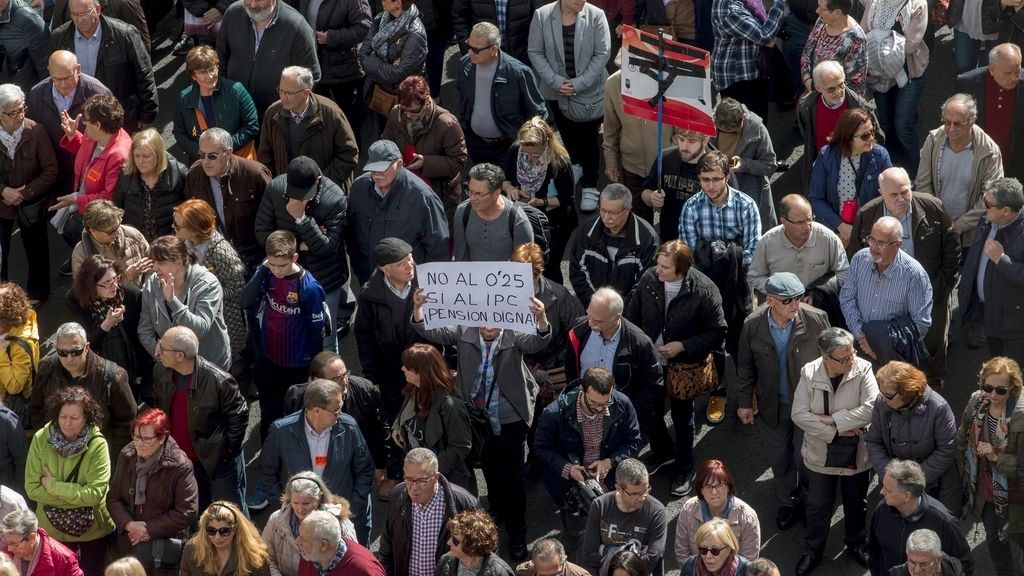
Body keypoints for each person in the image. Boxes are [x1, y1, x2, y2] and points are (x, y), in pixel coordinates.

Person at [412, 288, 551, 561]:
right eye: (484, 320)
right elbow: (432, 330)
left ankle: (518, 533)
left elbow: (537, 341)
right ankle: (496, 515)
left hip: (510, 417)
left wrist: (542, 319)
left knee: (513, 477)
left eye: (495, 320)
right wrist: (418, 309)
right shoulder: (464, 331)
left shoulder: (514, 334)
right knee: (489, 469)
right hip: (477, 420)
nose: (489, 326)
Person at [624, 239, 727, 494]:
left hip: (684, 366)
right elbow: (632, 317)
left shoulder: (704, 290)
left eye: (665, 268)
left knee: (682, 418)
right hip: (651, 362)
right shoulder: (649, 279)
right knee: (649, 410)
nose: (658, 271)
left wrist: (683, 346)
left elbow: (717, 331)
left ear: (682, 269)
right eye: (658, 264)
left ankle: (684, 466)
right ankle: (663, 452)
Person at [847, 167, 961, 385]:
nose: (901, 199)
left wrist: (944, 285)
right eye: (894, 194)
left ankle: (930, 385)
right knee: (888, 345)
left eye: (905, 191)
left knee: (931, 344)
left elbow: (952, 246)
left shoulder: (933, 208)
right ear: (881, 193)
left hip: (929, 293)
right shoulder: (867, 215)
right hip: (885, 294)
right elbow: (855, 255)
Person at [736, 272, 830, 530]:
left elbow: (830, 362)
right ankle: (789, 502)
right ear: (770, 300)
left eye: (798, 298)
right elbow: (745, 366)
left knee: (806, 456)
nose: (795, 305)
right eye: (788, 300)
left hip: (808, 406)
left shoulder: (816, 319)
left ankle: (810, 502)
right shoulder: (752, 325)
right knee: (779, 458)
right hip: (772, 405)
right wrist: (744, 402)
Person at [791, 327, 878, 576]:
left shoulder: (863, 369)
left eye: (852, 354)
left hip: (856, 454)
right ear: (825, 357)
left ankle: (857, 544)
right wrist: (835, 432)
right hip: (820, 454)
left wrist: (832, 421)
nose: (851, 361)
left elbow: (871, 408)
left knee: (856, 504)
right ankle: (813, 551)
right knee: (817, 506)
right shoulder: (809, 373)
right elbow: (798, 414)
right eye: (844, 358)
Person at [255, 378, 374, 544]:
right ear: (317, 410)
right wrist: (285, 505)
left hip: (338, 517)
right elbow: (267, 471)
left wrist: (352, 504)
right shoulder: (281, 431)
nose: (340, 413)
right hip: (297, 519)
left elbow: (365, 469)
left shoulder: (349, 427)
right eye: (336, 410)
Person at [241, 229, 329, 439]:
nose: (277, 270)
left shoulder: (308, 287)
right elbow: (245, 300)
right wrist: (262, 270)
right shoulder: (267, 273)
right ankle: (269, 450)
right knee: (269, 413)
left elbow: (317, 331)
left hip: (297, 364)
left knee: (295, 414)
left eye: (282, 265)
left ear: (294, 257)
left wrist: (314, 369)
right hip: (268, 358)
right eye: (272, 264)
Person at [533, 367, 642, 536]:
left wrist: (610, 462)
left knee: (614, 525)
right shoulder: (554, 414)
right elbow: (541, 448)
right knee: (579, 531)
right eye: (594, 404)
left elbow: (633, 440)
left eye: (606, 403)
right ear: (581, 391)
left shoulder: (622, 404)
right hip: (570, 485)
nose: (601, 409)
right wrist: (568, 469)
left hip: (609, 478)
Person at [565, 288, 665, 470]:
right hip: (584, 408)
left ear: (616, 317)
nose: (590, 322)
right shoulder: (580, 329)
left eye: (598, 320)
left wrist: (629, 409)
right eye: (589, 314)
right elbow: (571, 367)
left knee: (616, 462)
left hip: (617, 418)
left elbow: (655, 384)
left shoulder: (639, 343)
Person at [151, 326, 248, 513]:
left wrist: (225, 452)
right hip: (183, 462)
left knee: (230, 514)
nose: (157, 352)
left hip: (217, 464)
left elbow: (239, 416)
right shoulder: (160, 371)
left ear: (180, 356)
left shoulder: (219, 380)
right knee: (197, 512)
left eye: (162, 348)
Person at [351, 238, 422, 491]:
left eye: (410, 259)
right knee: (394, 421)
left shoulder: (426, 286)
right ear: (385, 269)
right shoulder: (370, 295)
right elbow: (364, 336)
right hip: (390, 371)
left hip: (422, 370)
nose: (410, 266)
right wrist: (372, 376)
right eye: (401, 263)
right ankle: (396, 472)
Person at [254, 156, 347, 346]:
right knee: (290, 336)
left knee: (325, 338)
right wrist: (301, 245)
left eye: (305, 194)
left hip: (324, 280)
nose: (299, 199)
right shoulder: (275, 189)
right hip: (286, 279)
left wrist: (302, 219)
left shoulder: (335, 198)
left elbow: (327, 248)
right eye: (294, 193)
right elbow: (262, 234)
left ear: (318, 180)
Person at [25, 387, 114, 576]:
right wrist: (77, 497)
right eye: (63, 416)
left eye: (74, 418)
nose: (67, 423)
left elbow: (95, 495)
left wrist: (52, 486)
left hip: (91, 534)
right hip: (52, 532)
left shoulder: (98, 444)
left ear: (86, 418)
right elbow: (32, 489)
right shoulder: (41, 438)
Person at [25, 51, 111, 242]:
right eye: (57, 79)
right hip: (56, 171)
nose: (63, 84)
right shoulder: (37, 94)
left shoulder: (97, 93)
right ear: (49, 72)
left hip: (89, 174)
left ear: (78, 69)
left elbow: (111, 136)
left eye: (67, 78)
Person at [527, 0, 610, 196]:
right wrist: (556, 82)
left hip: (589, 91)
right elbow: (535, 52)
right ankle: (575, 164)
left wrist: (579, 83)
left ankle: (590, 184)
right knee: (566, 131)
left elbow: (602, 53)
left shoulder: (596, 15)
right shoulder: (542, 15)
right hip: (557, 91)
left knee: (589, 138)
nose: (582, 1)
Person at [279, 353, 386, 501]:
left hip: (352, 467)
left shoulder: (365, 391)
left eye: (345, 374)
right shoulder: (296, 398)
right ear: (317, 381)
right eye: (336, 379)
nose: (344, 381)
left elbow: (378, 430)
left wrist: (380, 465)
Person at [345, 140, 450, 285]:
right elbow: (351, 233)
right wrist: (359, 269)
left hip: (409, 286)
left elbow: (438, 248)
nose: (377, 174)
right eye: (373, 168)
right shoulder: (359, 188)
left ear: (399, 164)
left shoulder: (423, 197)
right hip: (369, 281)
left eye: (382, 168)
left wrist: (426, 284)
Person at [106, 408, 199, 570]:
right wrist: (129, 524)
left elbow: (187, 511)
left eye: (146, 439)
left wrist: (148, 530)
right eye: (136, 436)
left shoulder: (180, 465)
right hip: (129, 544)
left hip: (163, 549)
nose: (139, 443)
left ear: (162, 438)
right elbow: (114, 498)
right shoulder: (127, 456)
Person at [957, 356, 1024, 576]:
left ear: (1013, 387)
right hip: (986, 489)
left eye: (1000, 390)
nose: (993, 395)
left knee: (1020, 537)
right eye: (988, 388)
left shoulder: (1020, 417)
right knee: (995, 540)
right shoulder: (977, 401)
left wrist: (996, 457)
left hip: (1016, 494)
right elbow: (964, 434)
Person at [48, 0, 157, 133]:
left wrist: (147, 116)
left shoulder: (124, 34)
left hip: (120, 116)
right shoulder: (59, 38)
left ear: (98, 9)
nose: (80, 20)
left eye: (85, 14)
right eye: (75, 15)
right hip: (82, 120)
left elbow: (144, 76)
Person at [866, 361, 960, 514]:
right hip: (894, 484)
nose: (883, 399)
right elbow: (873, 442)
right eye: (881, 393)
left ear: (907, 392)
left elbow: (946, 450)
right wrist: (890, 477)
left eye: (888, 396)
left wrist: (912, 482)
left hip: (933, 484)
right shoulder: (882, 403)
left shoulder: (938, 407)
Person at [172, 199, 248, 385]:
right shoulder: (184, 243)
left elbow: (238, 289)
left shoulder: (221, 253)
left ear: (195, 229)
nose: (173, 228)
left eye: (178, 226)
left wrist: (211, 293)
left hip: (224, 319)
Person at [840, 217, 933, 367]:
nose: (873, 247)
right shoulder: (859, 259)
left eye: (881, 243)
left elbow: (921, 323)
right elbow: (847, 298)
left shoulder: (914, 275)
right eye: (872, 240)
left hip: (893, 354)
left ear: (897, 245)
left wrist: (881, 344)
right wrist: (861, 336)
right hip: (860, 346)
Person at [29, 322, 136, 451]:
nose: (69, 358)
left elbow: (127, 421)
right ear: (56, 349)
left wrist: (107, 452)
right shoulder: (46, 369)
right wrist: (47, 442)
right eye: (62, 352)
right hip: (54, 450)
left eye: (75, 352)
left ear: (86, 348)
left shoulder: (113, 376)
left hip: (96, 452)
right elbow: (36, 410)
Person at [747, 195, 849, 326]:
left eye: (809, 219)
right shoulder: (767, 242)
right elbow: (754, 276)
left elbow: (844, 274)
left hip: (819, 310)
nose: (807, 227)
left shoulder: (828, 238)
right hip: (779, 311)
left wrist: (820, 294)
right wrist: (780, 294)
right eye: (800, 222)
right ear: (784, 222)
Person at [915, 94, 1004, 243]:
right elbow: (923, 184)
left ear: (972, 121)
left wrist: (958, 226)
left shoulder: (990, 152)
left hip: (972, 234)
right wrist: (937, 220)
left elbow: (990, 198)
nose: (951, 129)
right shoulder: (933, 140)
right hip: (936, 227)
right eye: (947, 122)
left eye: (958, 124)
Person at [456, 22, 548, 167]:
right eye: (469, 46)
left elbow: (537, 112)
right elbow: (463, 100)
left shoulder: (518, 72)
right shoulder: (465, 65)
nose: (470, 53)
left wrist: (528, 145)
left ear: (494, 50)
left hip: (507, 147)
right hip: (475, 143)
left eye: (476, 50)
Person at [381, 75, 468, 225]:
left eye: (414, 111)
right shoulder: (396, 114)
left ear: (427, 101)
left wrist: (426, 163)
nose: (408, 115)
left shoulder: (446, 123)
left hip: (440, 193)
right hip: (405, 187)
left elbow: (459, 160)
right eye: (404, 109)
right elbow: (386, 142)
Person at [379, 448, 479, 576]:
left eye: (422, 481)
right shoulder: (398, 495)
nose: (414, 488)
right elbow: (387, 545)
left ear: (436, 477)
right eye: (409, 479)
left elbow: (484, 552)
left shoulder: (464, 503)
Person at [183, 127, 272, 271]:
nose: (205, 161)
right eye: (201, 155)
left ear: (228, 153)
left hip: (255, 257)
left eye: (212, 156)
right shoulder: (194, 175)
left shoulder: (254, 174)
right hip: (216, 259)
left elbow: (272, 218)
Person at [138, 235, 231, 372]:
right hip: (171, 367)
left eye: (161, 262)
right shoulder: (151, 284)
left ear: (180, 261)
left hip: (208, 367)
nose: (155, 268)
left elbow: (200, 329)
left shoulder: (207, 284)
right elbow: (144, 329)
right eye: (154, 262)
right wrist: (162, 354)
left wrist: (173, 302)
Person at [257, 66, 359, 190]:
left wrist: (321, 184)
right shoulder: (273, 113)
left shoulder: (331, 114)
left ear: (305, 93)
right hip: (286, 190)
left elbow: (348, 154)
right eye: (280, 90)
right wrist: (276, 186)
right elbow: (265, 155)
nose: (283, 97)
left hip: (325, 191)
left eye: (289, 93)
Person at [0, 83, 57, 305]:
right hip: (2, 204)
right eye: (13, 112)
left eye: (22, 109)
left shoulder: (36, 131)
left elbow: (50, 169)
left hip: (32, 203)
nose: (20, 115)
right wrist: (3, 191)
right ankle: (3, 299)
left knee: (37, 251)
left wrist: (24, 192)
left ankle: (38, 294)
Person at [48, 94, 132, 243]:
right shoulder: (94, 134)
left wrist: (78, 199)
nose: (84, 124)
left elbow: (109, 198)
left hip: (97, 217)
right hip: (85, 202)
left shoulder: (119, 156)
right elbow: (88, 154)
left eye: (86, 120)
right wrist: (73, 136)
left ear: (98, 125)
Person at [510, 243, 584, 411]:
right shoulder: (503, 293)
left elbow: (577, 332)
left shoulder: (559, 295)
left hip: (552, 365)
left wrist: (560, 363)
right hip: (517, 362)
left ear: (538, 274)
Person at [502, 116, 576, 283]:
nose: (530, 158)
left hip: (555, 222)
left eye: (536, 154)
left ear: (546, 144)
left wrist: (542, 202)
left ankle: (554, 295)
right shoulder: (515, 151)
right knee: (525, 263)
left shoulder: (559, 161)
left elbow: (567, 198)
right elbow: (505, 180)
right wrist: (511, 189)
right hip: (523, 218)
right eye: (526, 153)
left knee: (549, 266)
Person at [216, 0, 320, 117]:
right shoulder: (233, 13)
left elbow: (311, 76)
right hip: (234, 110)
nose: (253, 5)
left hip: (275, 116)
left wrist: (286, 107)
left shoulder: (296, 26)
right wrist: (224, 92)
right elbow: (221, 55)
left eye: (260, 0)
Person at [869, 460, 974, 575]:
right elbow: (873, 550)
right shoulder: (882, 509)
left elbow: (964, 564)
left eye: (888, 490)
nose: (881, 492)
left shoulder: (943, 521)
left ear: (906, 495)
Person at [604, 51, 674, 224]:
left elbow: (682, 129)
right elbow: (611, 127)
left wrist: (674, 156)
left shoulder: (670, 81)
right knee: (638, 220)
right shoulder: (613, 83)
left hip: (667, 166)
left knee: (671, 218)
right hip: (632, 166)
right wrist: (611, 160)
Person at [959, 177, 1024, 363]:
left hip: (1013, 324)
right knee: (995, 363)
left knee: (1010, 371)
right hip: (988, 312)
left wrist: (1001, 260)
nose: (984, 207)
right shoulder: (987, 220)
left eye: (988, 204)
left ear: (1006, 211)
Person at [393, 344, 474, 491]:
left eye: (408, 367)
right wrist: (398, 425)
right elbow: (406, 412)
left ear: (421, 371)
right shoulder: (415, 389)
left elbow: (460, 447)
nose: (402, 369)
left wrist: (426, 470)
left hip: (443, 481)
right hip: (419, 478)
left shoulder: (451, 406)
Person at [861, 0, 928, 176]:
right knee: (885, 122)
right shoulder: (874, 2)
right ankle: (889, 165)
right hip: (880, 74)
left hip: (909, 73)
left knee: (903, 124)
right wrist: (885, 42)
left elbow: (911, 45)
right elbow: (862, 32)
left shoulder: (918, 5)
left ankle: (916, 170)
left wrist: (876, 40)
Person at [807, 108, 891, 248]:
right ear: (848, 137)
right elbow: (815, 198)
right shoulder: (826, 156)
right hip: (834, 231)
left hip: (869, 232)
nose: (871, 138)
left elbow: (888, 196)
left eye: (872, 131)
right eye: (865, 136)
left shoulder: (880, 156)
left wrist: (862, 229)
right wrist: (841, 226)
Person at [796, 61, 883, 192]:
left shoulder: (861, 108)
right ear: (818, 88)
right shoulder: (806, 106)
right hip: (823, 167)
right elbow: (807, 134)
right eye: (831, 89)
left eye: (841, 84)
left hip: (853, 168)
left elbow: (876, 138)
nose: (838, 92)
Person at [67, 257, 148, 396]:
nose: (115, 286)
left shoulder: (131, 295)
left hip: (132, 360)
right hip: (98, 365)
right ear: (91, 285)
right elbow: (83, 344)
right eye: (107, 283)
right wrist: (107, 324)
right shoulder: (76, 300)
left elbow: (141, 335)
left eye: (115, 278)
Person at [569, 184, 660, 307]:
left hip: (628, 313)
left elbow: (646, 283)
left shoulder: (647, 239)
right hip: (593, 308)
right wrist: (596, 304)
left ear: (628, 209)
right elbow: (578, 272)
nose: (606, 217)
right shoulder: (586, 231)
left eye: (613, 212)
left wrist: (620, 310)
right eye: (603, 210)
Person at [172, 45, 259, 163]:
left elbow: (251, 126)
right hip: (203, 162)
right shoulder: (184, 98)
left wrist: (224, 148)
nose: (210, 76)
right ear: (193, 76)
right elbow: (179, 133)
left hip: (234, 159)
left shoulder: (236, 90)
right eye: (203, 72)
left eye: (212, 69)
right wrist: (202, 153)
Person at [581, 458, 667, 576]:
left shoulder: (657, 513)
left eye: (646, 490)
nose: (643, 497)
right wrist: (637, 557)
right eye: (635, 494)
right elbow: (588, 556)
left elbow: (650, 561)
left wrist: (606, 551)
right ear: (619, 489)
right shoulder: (600, 506)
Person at [261, 472, 357, 576]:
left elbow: (352, 559)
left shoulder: (339, 522)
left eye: (306, 503)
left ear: (319, 499)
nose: (300, 509)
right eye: (295, 503)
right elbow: (265, 557)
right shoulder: (276, 520)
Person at [709, 0, 788, 119]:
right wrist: (779, 3)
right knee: (745, 124)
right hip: (736, 77)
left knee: (758, 119)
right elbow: (765, 36)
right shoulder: (729, 9)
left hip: (752, 71)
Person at [956, 44, 1024, 181]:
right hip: (980, 165)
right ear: (991, 70)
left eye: (1017, 71)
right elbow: (956, 123)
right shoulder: (967, 83)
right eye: (1007, 73)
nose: (1014, 78)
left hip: (1017, 166)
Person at [357, 0, 426, 133]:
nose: (381, 1)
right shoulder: (380, 19)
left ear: (398, 3)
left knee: (400, 134)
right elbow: (363, 55)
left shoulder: (415, 34)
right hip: (379, 90)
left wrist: (374, 58)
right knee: (382, 130)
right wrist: (388, 65)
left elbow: (398, 73)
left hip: (401, 97)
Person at [713, 98, 778, 233]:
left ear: (743, 118)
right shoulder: (710, 124)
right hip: (718, 191)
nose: (728, 135)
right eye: (723, 131)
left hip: (749, 190)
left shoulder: (757, 128)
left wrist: (744, 164)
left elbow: (770, 165)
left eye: (733, 132)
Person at [674, 460, 760, 562]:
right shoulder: (688, 510)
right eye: (708, 487)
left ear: (728, 487)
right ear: (700, 490)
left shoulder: (747, 518)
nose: (714, 492)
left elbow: (748, 561)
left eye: (719, 486)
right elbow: (682, 553)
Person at [113, 129, 188, 242]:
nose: (140, 161)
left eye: (146, 156)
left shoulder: (178, 173)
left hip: (170, 243)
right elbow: (117, 208)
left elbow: (191, 211)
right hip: (136, 242)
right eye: (137, 156)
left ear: (158, 155)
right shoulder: (126, 174)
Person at [453, 163, 534, 262]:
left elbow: (524, 264)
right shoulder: (462, 212)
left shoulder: (518, 220)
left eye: (478, 194)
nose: (472, 198)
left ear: (496, 193)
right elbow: (460, 257)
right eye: (470, 191)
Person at [640, 128, 708, 241]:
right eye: (681, 139)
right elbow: (645, 192)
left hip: (701, 239)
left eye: (692, 141)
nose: (684, 147)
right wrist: (652, 197)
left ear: (705, 141)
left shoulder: (716, 167)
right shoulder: (665, 158)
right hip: (667, 237)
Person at [69, 201, 151, 286]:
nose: (118, 232)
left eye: (118, 225)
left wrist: (148, 288)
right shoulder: (81, 256)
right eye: (111, 231)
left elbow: (153, 263)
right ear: (93, 231)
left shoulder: (133, 234)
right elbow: (88, 291)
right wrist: (126, 279)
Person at [180, 502, 270, 576]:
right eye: (211, 530)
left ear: (235, 530)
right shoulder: (192, 549)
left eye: (224, 531)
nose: (217, 537)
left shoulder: (255, 556)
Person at [799, 0, 868, 97]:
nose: (817, 11)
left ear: (837, 13)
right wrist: (808, 81)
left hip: (836, 99)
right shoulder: (822, 21)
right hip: (815, 90)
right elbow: (807, 52)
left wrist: (820, 92)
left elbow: (855, 83)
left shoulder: (856, 39)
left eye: (821, 8)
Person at [295, 510, 384, 576]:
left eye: (303, 539)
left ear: (323, 545)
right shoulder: (310, 555)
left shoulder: (365, 571)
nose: (297, 542)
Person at [0, 509, 83, 576]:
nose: (9, 549)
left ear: (32, 537)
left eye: (14, 544)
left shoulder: (64, 560)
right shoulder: (3, 556)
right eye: (6, 542)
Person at [0, 282, 38, 426]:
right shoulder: (25, 319)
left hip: (8, 402)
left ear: (5, 322)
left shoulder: (19, 346)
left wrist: (0, 352)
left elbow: (15, 386)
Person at [436, 510, 515, 576]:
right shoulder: (445, 561)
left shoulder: (499, 572)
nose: (449, 542)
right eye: (451, 536)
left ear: (472, 546)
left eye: (455, 540)